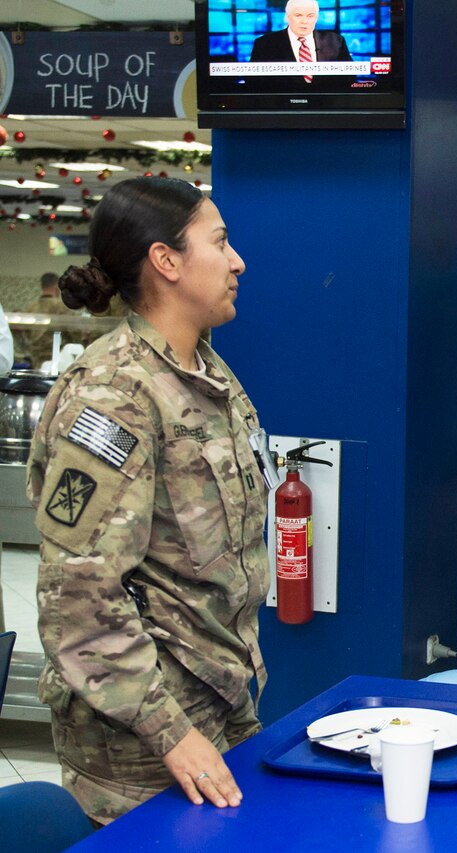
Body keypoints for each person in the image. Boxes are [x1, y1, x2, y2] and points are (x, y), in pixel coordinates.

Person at [27, 177, 268, 825]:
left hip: (220, 705)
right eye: (219, 242)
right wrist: (172, 733)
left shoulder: (208, 375)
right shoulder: (113, 396)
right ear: (166, 261)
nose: (237, 259)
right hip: (140, 743)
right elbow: (77, 596)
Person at [249, 0, 352, 79]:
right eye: (298, 15)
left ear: (316, 18)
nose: (304, 21)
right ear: (288, 17)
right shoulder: (264, 44)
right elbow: (254, 82)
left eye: (310, 16)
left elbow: (349, 78)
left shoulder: (336, 41)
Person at [16, 272, 85, 367]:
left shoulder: (30, 308)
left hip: (36, 361)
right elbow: (75, 331)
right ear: (57, 286)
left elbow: (25, 334)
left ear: (42, 286)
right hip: (58, 360)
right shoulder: (62, 307)